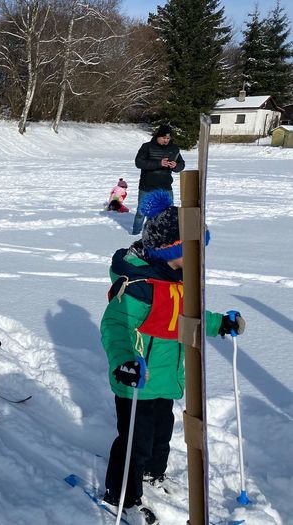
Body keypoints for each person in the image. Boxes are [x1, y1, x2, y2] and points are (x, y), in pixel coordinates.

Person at [100, 190, 245, 525]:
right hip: (138, 378)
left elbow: (187, 317)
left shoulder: (178, 280)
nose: (198, 257)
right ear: (169, 250)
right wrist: (124, 361)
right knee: (134, 442)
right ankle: (120, 497)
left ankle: (153, 475)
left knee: (161, 434)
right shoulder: (140, 285)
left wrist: (219, 324)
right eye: (190, 251)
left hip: (166, 377)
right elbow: (115, 325)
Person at [132, 124, 184, 235]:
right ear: (158, 136)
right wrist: (159, 163)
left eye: (168, 138)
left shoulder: (174, 149)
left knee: (168, 212)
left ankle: (166, 234)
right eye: (164, 138)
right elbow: (139, 162)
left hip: (165, 186)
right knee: (141, 212)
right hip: (147, 186)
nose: (166, 140)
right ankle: (135, 232)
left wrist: (175, 166)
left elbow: (181, 165)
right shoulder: (146, 147)